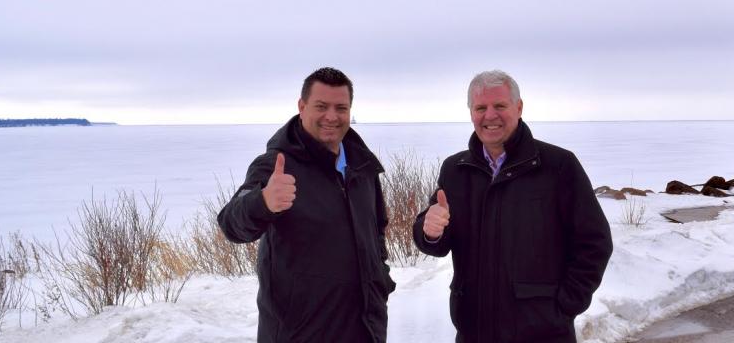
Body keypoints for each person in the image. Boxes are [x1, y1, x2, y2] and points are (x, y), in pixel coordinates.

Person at [413, 70, 613, 343]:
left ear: (519, 108)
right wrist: (430, 230)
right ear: (471, 113)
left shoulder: (558, 166)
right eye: (480, 108)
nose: (490, 115)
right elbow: (436, 242)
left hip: (544, 334)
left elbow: (595, 242)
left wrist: (564, 306)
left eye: (500, 105)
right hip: (474, 333)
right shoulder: (455, 170)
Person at [218, 67, 395, 343]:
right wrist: (262, 202)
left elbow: (377, 230)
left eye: (341, 108)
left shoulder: (362, 166)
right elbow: (230, 223)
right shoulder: (277, 165)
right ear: (302, 107)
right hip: (300, 332)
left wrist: (380, 279)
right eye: (321, 106)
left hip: (364, 329)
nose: (331, 116)